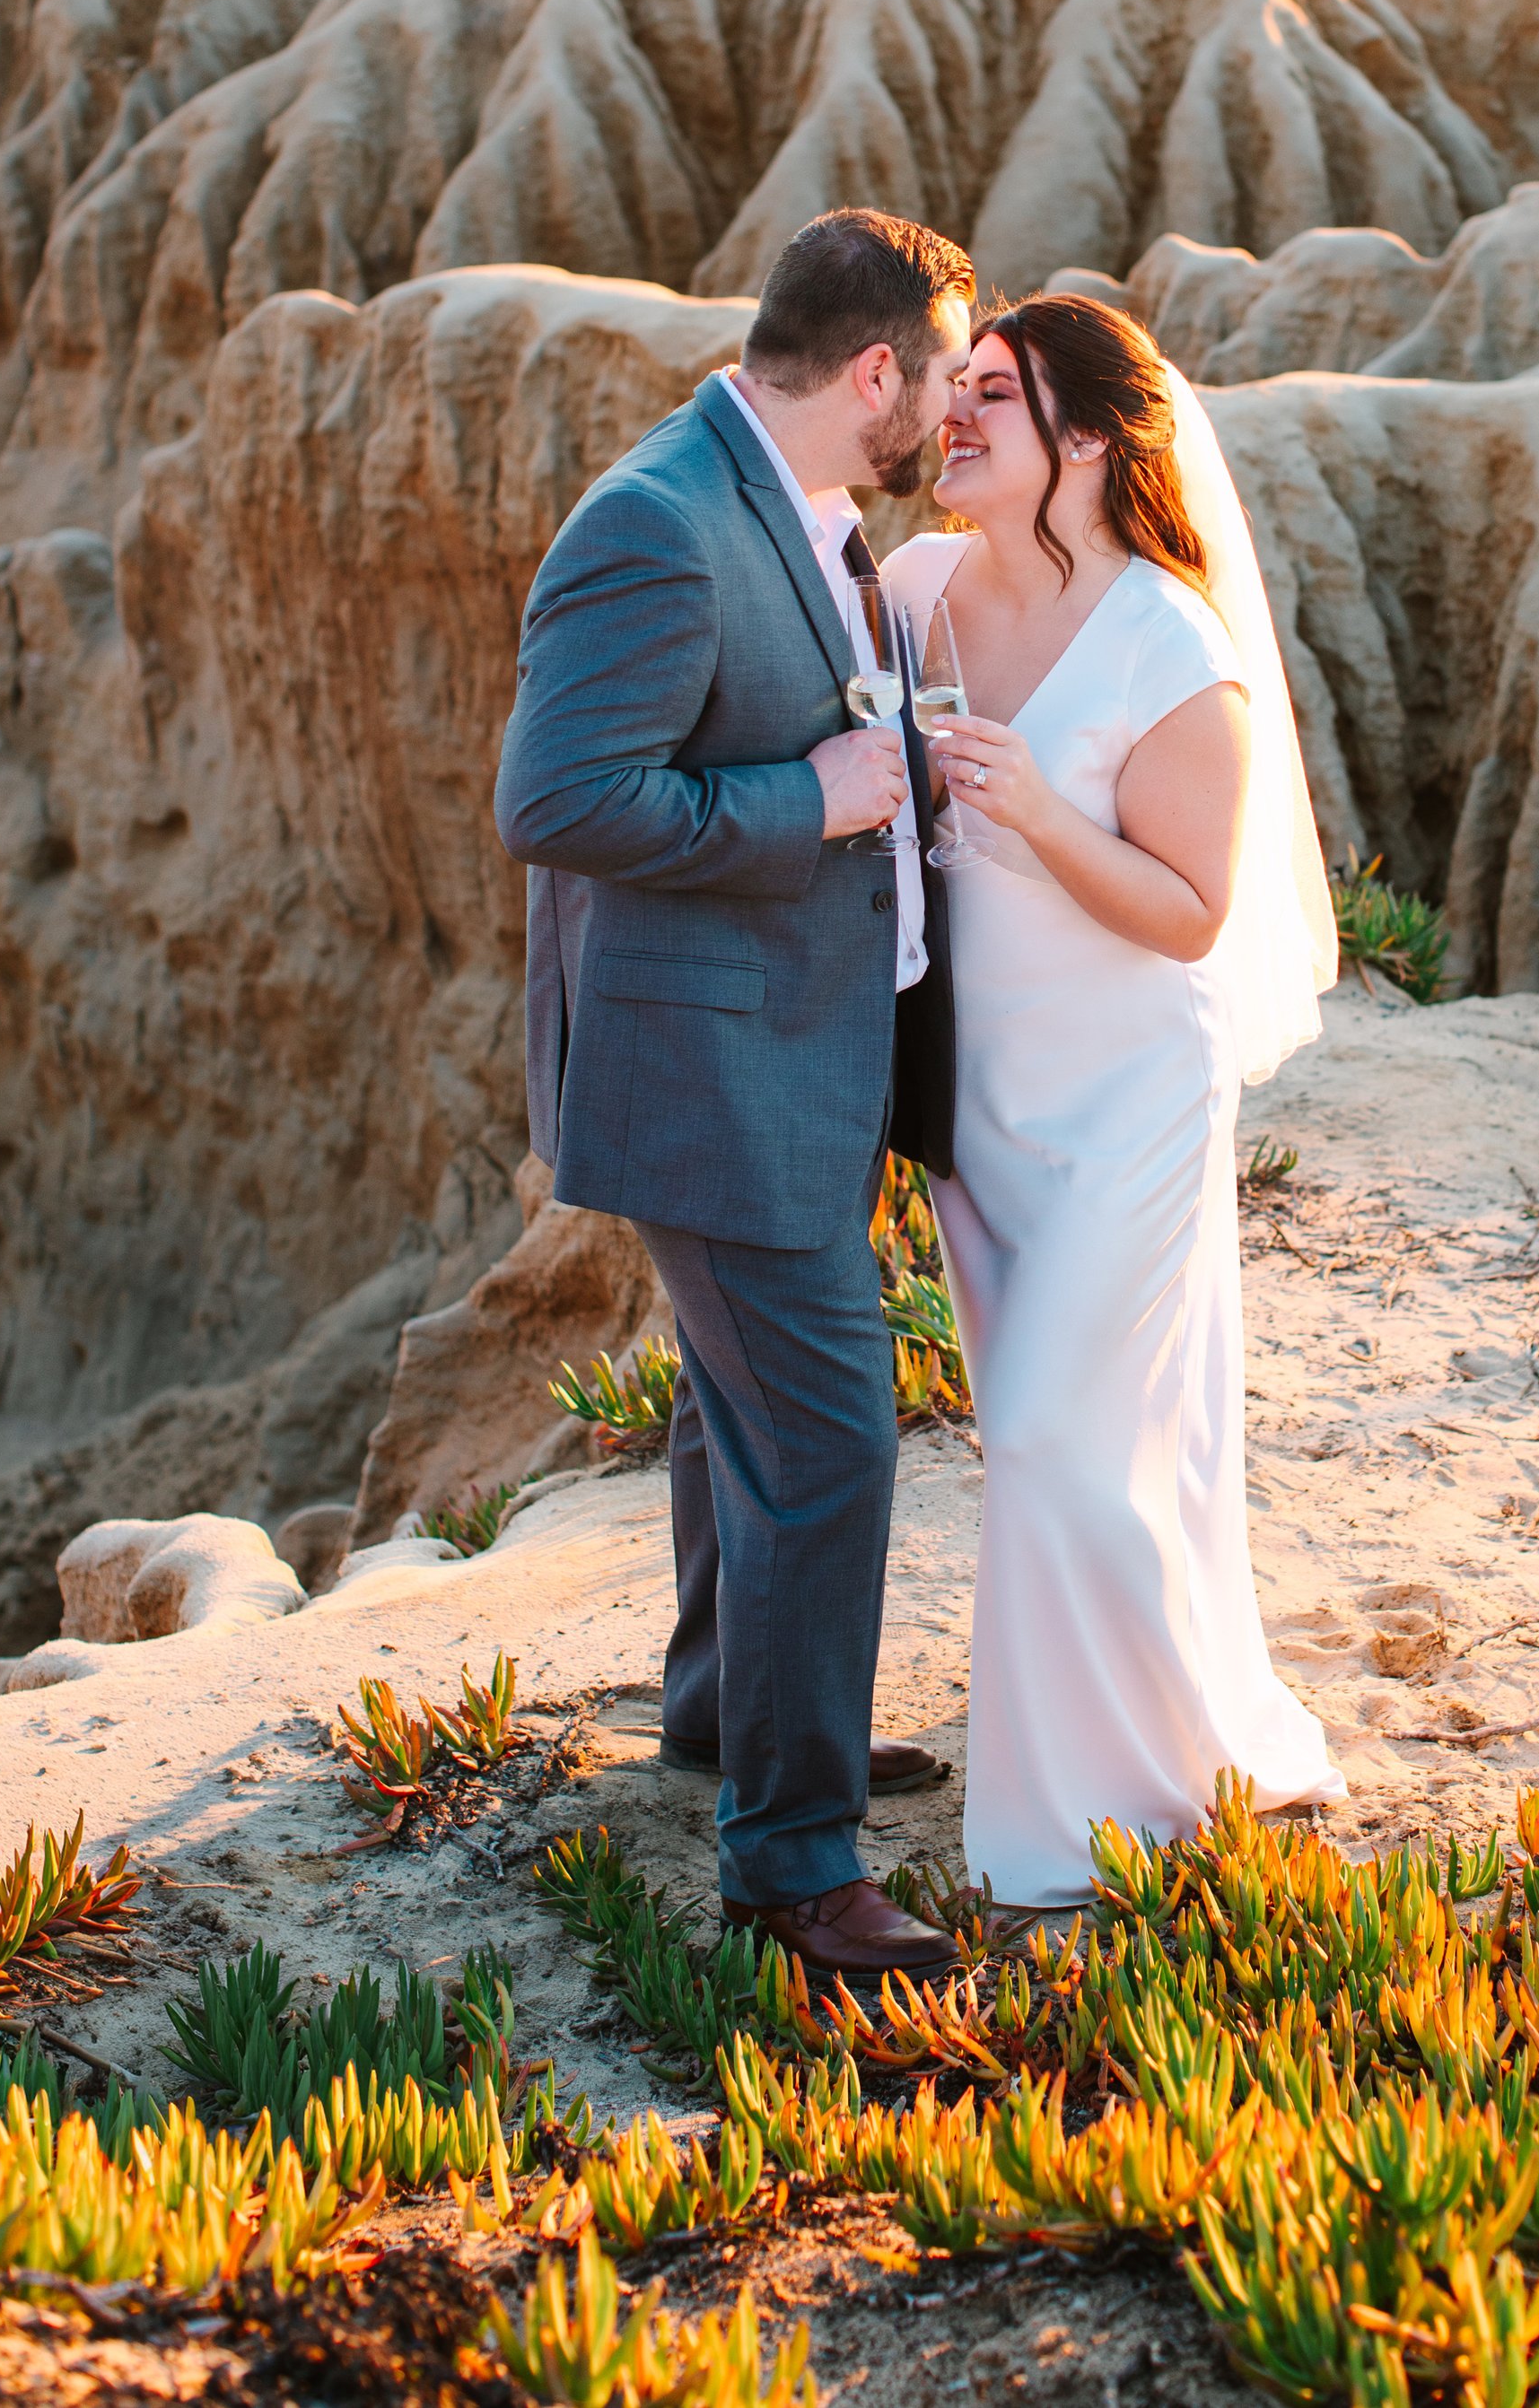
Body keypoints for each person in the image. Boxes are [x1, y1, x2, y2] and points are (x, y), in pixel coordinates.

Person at [494, 205, 975, 1988]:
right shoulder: (659, 522)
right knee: (827, 1442)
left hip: (803, 1048)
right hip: (717, 1072)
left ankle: (724, 1711)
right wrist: (815, 801)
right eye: (942, 381)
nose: (949, 414)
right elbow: (557, 802)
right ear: (876, 372)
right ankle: (791, 1868)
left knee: (736, 1410)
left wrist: (896, 786)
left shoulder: (797, 500)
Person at [884, 294, 1344, 1907]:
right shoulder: (917, 592)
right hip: (982, 1103)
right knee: (1091, 1440)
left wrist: (1030, 808)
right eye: (954, 387)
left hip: (1129, 1099)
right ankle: (1178, 1735)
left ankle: (1092, 1812)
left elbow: (1192, 911)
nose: (953, 414)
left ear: (1086, 437)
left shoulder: (1170, 645)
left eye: (993, 394)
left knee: (1046, 1428)